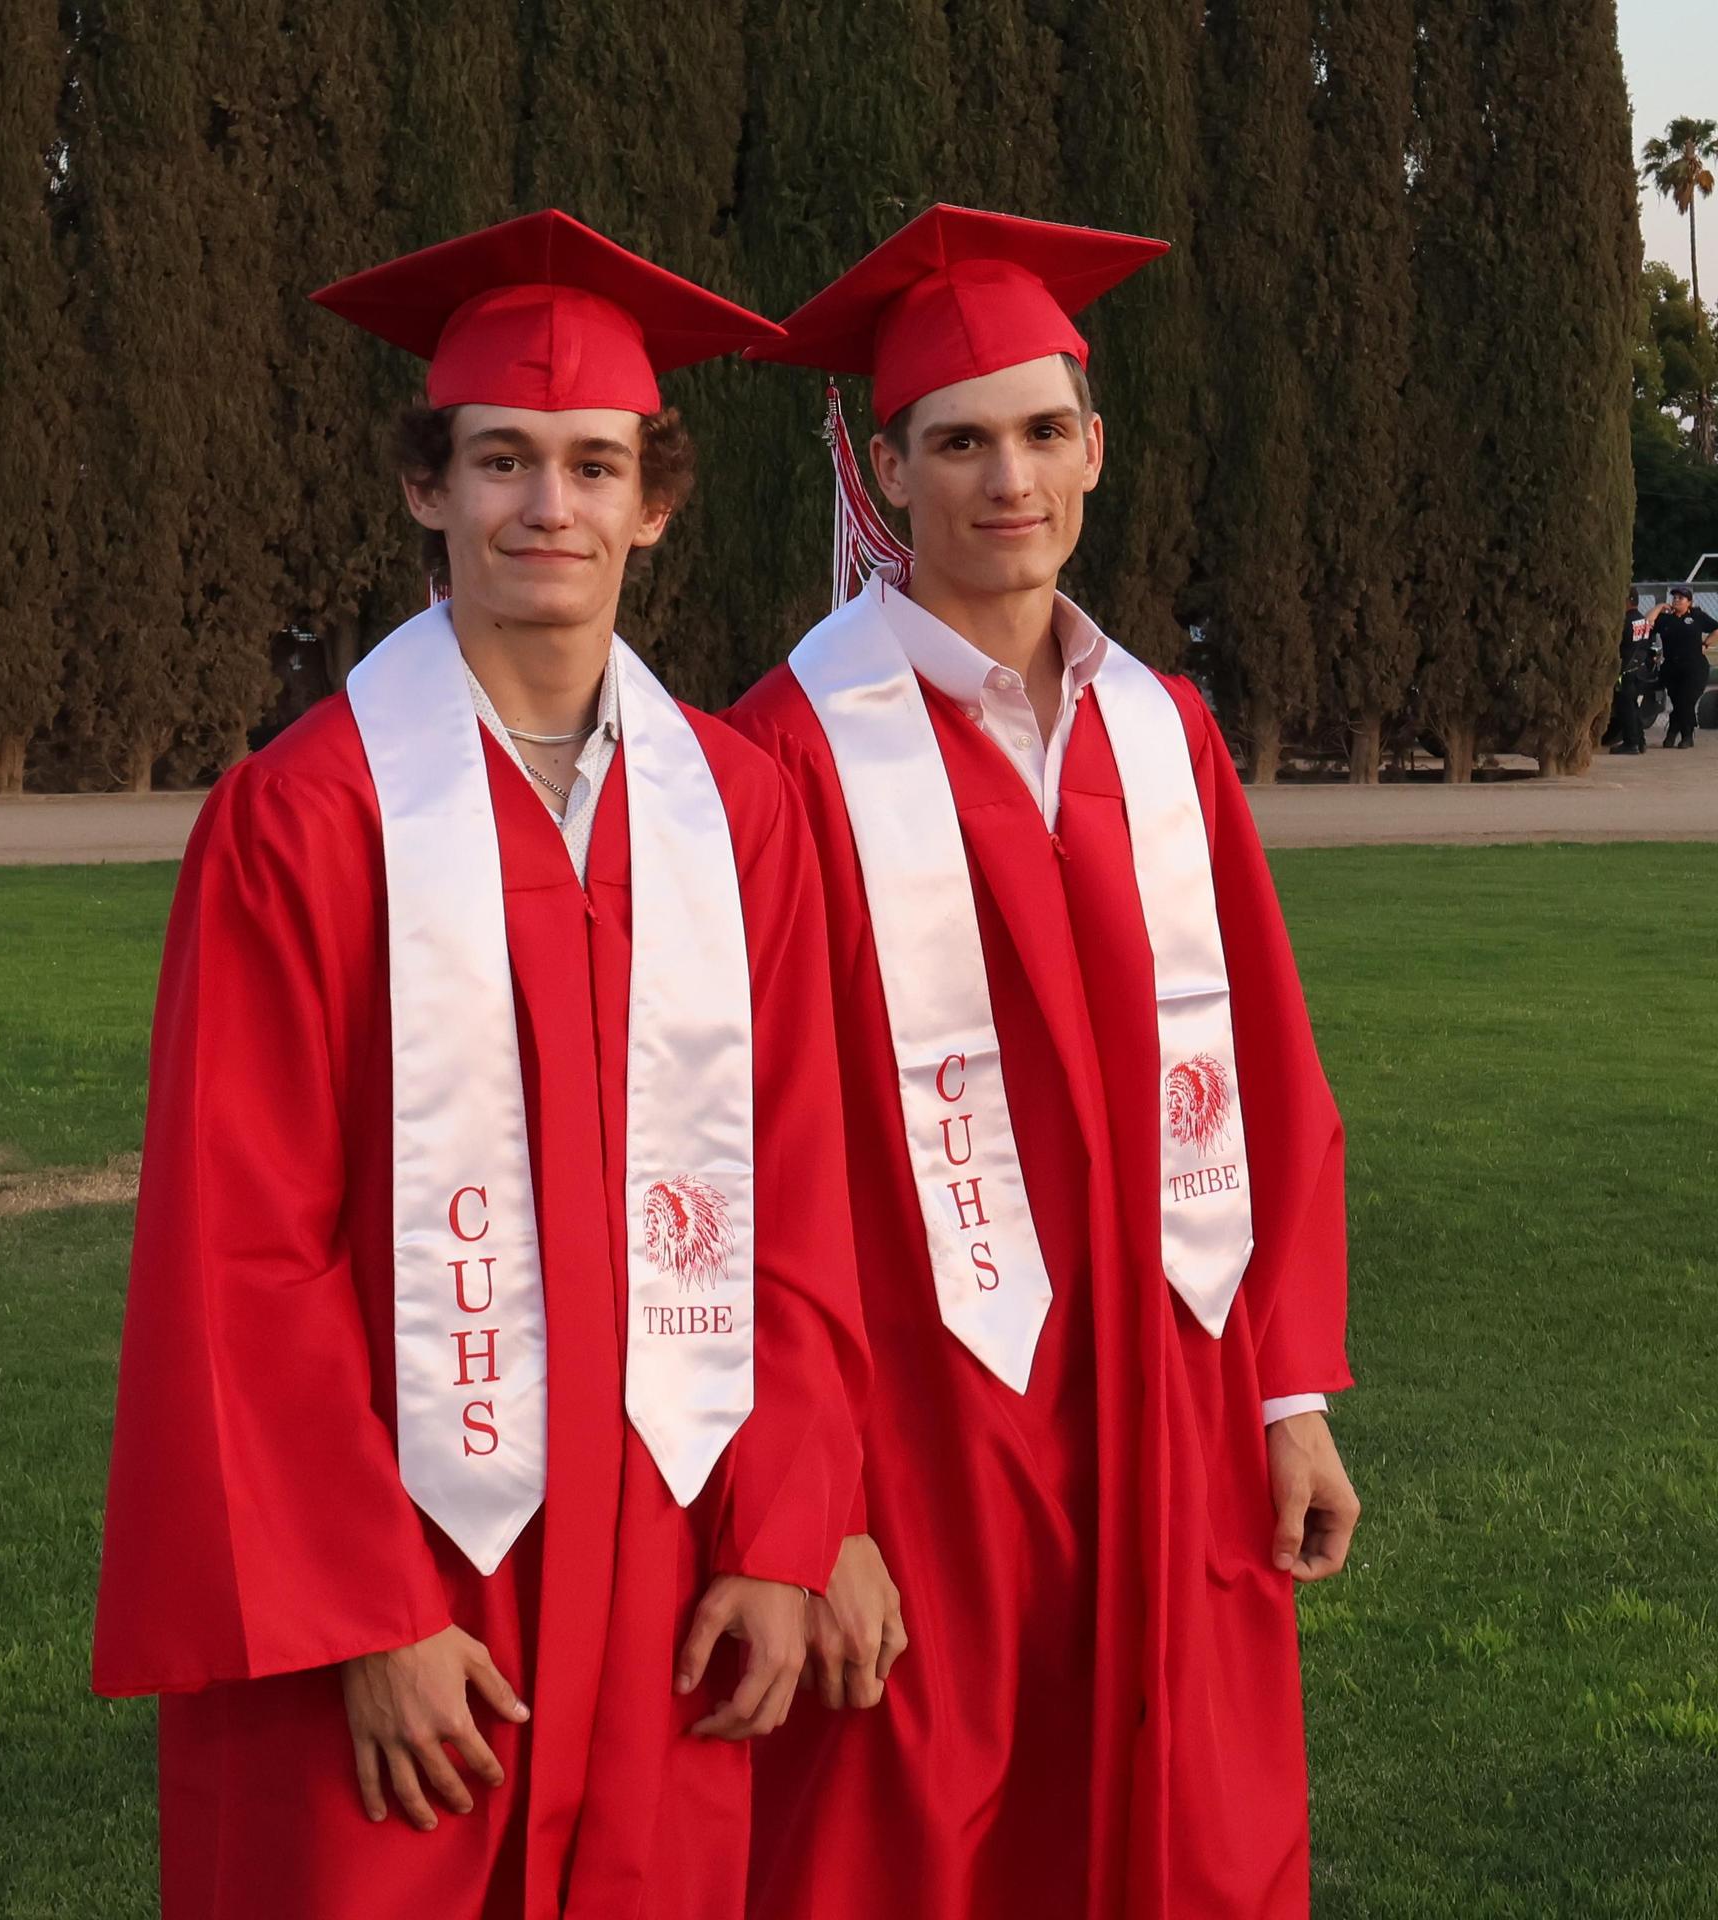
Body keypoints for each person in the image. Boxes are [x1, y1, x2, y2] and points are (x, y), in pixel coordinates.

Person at [92, 210, 870, 1920]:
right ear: (424, 489)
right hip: (404, 1573)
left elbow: (799, 1194)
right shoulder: (306, 820)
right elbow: (241, 1255)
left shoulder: (738, 815)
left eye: (593, 465)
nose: (547, 506)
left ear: (653, 504)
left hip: (664, 1559)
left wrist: (782, 1532)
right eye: (500, 459)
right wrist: (357, 1614)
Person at [726, 205, 1359, 1920]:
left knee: (1190, 1833)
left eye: (1041, 431)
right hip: (927, 1431)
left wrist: (1286, 1392)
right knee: (922, 1840)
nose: (1008, 478)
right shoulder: (786, 755)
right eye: (959, 440)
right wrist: (811, 1506)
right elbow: (740, 1156)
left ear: (1096, 448)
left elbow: (1270, 1071)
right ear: (886, 468)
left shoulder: (1165, 735)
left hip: (1173, 1396)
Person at [1654, 586, 1717, 748]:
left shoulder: (1697, 616)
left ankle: (1685, 736)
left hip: (1694, 667)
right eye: (1674, 597)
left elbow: (1716, 628)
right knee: (1678, 702)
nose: (1676, 600)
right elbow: (1648, 623)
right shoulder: (1666, 619)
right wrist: (1659, 607)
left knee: (1686, 701)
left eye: (1680, 598)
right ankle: (1674, 733)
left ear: (1689, 602)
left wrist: (1706, 643)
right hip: (1672, 668)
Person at [1606, 590, 1652, 755]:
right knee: (1633, 707)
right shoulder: (1642, 620)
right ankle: (1640, 741)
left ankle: (1631, 743)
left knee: (1626, 708)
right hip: (1639, 669)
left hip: (1626, 671)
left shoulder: (1625, 621)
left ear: (1628, 601)